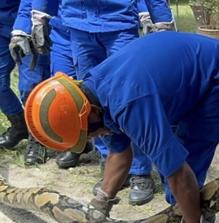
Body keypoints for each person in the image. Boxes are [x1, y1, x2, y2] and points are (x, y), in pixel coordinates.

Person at [24, 32, 219, 223]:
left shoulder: (129, 102)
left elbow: (178, 173)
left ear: (89, 112)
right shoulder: (95, 90)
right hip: (189, 74)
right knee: (171, 157)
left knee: (184, 158)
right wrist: (101, 202)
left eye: (89, 133)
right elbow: (119, 153)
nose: (94, 138)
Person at [31, 0, 174, 206]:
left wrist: (162, 21)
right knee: (90, 103)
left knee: (128, 98)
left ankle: (140, 172)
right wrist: (39, 15)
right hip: (77, 22)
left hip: (119, 22)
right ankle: (111, 165)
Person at [0, 0, 50, 164]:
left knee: (30, 87)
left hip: (29, 21)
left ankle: (38, 138)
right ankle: (20, 125)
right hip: (2, 23)